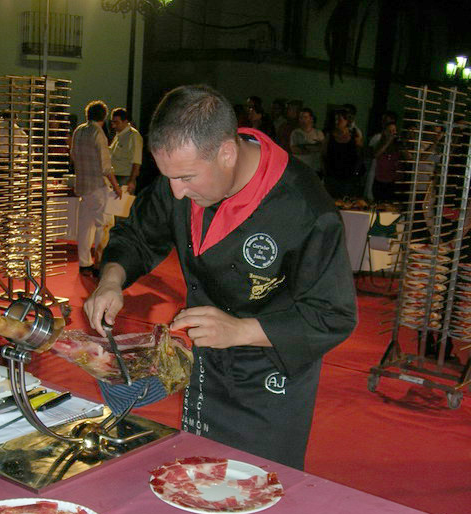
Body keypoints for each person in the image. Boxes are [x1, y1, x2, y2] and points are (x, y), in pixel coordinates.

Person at [83, 85, 357, 470]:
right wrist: (111, 280)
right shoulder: (183, 175)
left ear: (227, 153)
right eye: (168, 177)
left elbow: (333, 315)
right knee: (198, 474)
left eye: (186, 178)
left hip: (269, 378)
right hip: (204, 362)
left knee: (256, 484)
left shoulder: (305, 209)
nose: (177, 193)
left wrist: (239, 330)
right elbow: (138, 235)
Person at [71, 100, 122, 277]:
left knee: (85, 227)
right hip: (98, 187)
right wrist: (116, 186)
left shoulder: (78, 131)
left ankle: (84, 263)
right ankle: (100, 264)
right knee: (104, 226)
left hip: (82, 186)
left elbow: (73, 155)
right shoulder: (98, 134)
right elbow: (106, 166)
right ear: (104, 116)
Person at [323, 108, 363, 199]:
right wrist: (325, 172)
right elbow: (324, 154)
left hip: (348, 176)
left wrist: (356, 172)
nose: (337, 122)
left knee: (346, 200)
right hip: (332, 175)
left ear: (346, 121)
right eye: (335, 120)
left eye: (339, 120)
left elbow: (360, 155)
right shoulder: (329, 135)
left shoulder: (354, 135)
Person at [109, 107, 143, 195]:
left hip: (125, 178)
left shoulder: (134, 136)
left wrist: (131, 181)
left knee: (123, 203)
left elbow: (137, 161)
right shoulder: (118, 135)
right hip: (114, 177)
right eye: (112, 122)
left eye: (117, 122)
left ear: (125, 121)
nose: (113, 126)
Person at [371, 121, 401, 203]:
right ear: (385, 132)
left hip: (391, 182)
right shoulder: (380, 144)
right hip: (379, 182)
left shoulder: (397, 146)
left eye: (394, 131)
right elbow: (376, 154)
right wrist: (388, 141)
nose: (392, 133)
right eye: (390, 131)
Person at [290, 107, 324, 176]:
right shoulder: (295, 133)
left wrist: (303, 147)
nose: (302, 120)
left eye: (305, 117)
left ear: (311, 119)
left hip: (314, 169)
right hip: (299, 169)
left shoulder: (319, 133)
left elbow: (322, 148)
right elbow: (294, 150)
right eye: (300, 117)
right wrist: (313, 148)